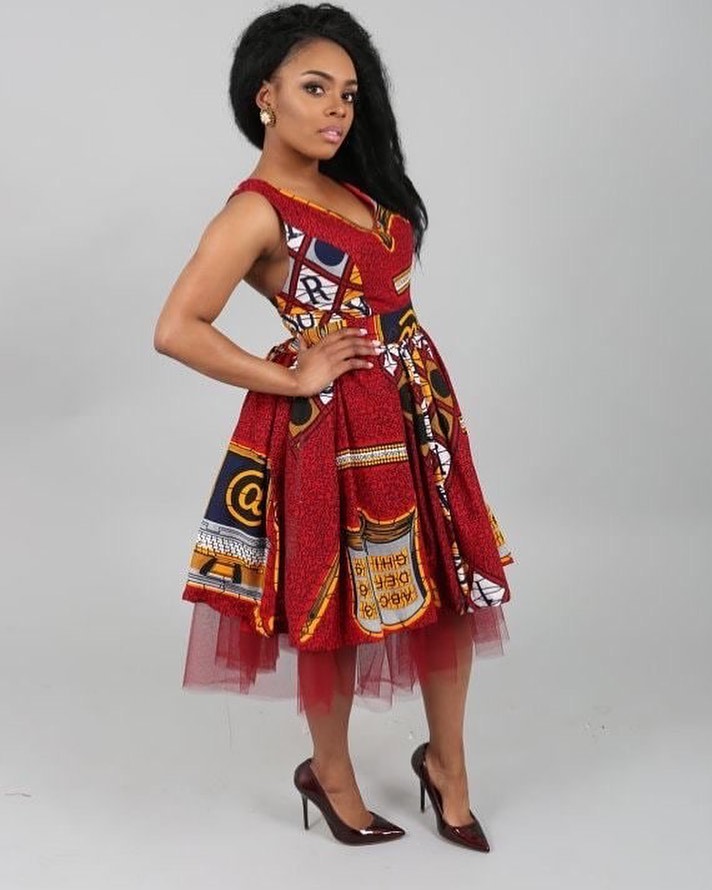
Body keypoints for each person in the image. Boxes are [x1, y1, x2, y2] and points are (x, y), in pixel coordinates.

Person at [154, 1, 514, 851]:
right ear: (265, 97)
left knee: (449, 586)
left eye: (348, 94)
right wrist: (292, 375)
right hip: (339, 425)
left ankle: (449, 769)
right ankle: (331, 774)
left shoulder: (354, 186)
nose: (337, 109)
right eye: (315, 88)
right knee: (339, 601)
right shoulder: (256, 211)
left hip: (418, 410)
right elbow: (177, 328)